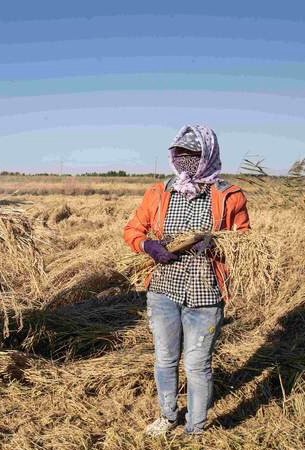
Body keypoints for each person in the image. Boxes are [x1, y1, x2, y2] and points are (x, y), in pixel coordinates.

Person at [123, 125, 250, 437]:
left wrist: (215, 243)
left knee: (196, 365)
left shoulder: (228, 195)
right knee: (165, 359)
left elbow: (245, 241)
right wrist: (147, 246)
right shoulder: (159, 192)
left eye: (191, 155)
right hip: (164, 291)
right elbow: (132, 230)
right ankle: (168, 417)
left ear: (206, 155)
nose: (183, 161)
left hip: (205, 294)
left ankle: (195, 428)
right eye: (178, 154)